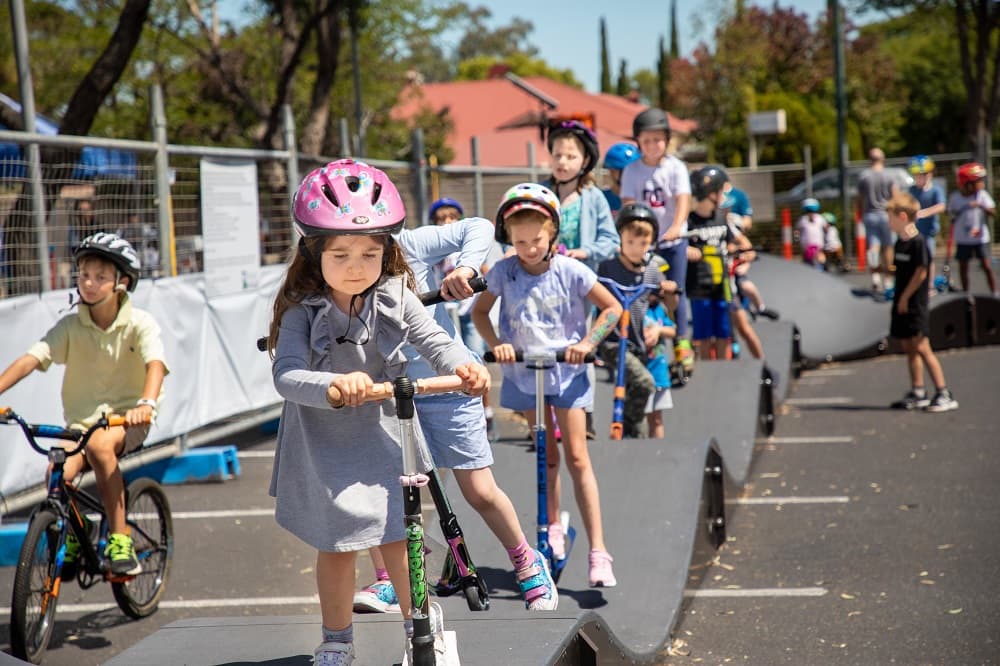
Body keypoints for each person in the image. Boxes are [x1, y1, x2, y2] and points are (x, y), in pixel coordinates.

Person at [266, 160, 502, 665]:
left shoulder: (396, 293)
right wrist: (334, 383)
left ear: (388, 251)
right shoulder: (300, 308)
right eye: (342, 254)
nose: (357, 265)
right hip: (322, 438)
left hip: (383, 431)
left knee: (400, 536)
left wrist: (467, 366)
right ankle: (336, 641)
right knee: (336, 546)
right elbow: (286, 375)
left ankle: (423, 625)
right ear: (314, 253)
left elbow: (437, 341)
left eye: (371, 253)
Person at [353, 203, 557, 616]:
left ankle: (526, 560)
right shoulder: (339, 263)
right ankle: (391, 578)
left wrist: (464, 269)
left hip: (446, 381)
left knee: (478, 490)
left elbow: (479, 225)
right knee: (380, 490)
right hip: (389, 390)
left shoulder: (409, 244)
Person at [472, 182, 623, 588]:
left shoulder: (571, 270)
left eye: (536, 240)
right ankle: (551, 527)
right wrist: (498, 344)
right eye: (519, 242)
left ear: (552, 232)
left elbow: (613, 307)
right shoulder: (504, 271)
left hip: (567, 374)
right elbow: (480, 313)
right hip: (525, 373)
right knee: (546, 455)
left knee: (576, 457)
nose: (529, 248)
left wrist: (587, 342)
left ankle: (599, 550)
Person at [0, 232, 167, 578]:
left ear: (122, 282)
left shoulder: (139, 324)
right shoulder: (72, 325)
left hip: (126, 420)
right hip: (81, 423)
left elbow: (155, 365)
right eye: (83, 275)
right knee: (57, 471)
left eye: (100, 277)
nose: (89, 283)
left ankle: (119, 539)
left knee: (101, 447)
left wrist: (146, 403)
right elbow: (33, 358)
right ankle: (81, 532)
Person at [542, 119, 619, 439]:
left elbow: (611, 241)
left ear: (585, 161)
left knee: (579, 344)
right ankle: (549, 414)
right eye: (557, 155)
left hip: (578, 285)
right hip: (543, 282)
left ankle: (581, 411)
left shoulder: (593, 198)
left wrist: (583, 252)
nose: (562, 162)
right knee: (545, 343)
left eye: (570, 156)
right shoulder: (541, 193)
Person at [619, 107, 695, 371]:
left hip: (672, 241)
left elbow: (683, 200)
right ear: (638, 141)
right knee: (643, 292)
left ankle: (682, 342)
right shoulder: (632, 170)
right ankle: (642, 340)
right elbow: (629, 204)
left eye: (658, 139)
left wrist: (676, 227)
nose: (652, 145)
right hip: (644, 244)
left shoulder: (676, 168)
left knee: (675, 289)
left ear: (667, 140)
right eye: (646, 140)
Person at [596, 202, 677, 438]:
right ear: (620, 237)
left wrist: (670, 291)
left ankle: (633, 439)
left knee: (635, 395)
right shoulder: (607, 268)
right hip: (612, 342)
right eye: (630, 242)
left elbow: (670, 308)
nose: (636, 248)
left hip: (638, 343)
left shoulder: (651, 270)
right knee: (644, 383)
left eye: (643, 244)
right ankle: (629, 428)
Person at [885, 192, 958, 412]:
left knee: (922, 346)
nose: (888, 222)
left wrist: (906, 297)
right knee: (908, 346)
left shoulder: (918, 243)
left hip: (914, 303)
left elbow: (921, 272)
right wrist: (882, 270)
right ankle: (918, 391)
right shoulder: (900, 243)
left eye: (891, 217)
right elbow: (900, 270)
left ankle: (943, 392)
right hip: (900, 300)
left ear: (903, 217)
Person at [686, 165, 763, 361]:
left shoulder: (721, 219)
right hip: (699, 288)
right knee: (703, 338)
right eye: (720, 191)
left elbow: (740, 243)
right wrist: (688, 251)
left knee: (723, 335)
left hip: (722, 287)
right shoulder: (689, 222)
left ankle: (726, 370)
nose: (723, 196)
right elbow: (678, 248)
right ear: (710, 193)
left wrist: (746, 254)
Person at [721, 184, 779, 320]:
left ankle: (760, 307)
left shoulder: (731, 226)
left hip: (734, 263)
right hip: (722, 266)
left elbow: (746, 246)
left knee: (745, 285)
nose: (727, 210)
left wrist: (744, 260)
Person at [947, 162, 998, 296]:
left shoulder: (982, 195)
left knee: (986, 266)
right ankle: (965, 294)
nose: (981, 183)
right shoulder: (956, 197)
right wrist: (960, 209)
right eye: (978, 181)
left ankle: (994, 292)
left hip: (980, 238)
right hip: (963, 239)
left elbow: (993, 212)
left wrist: (981, 205)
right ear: (967, 183)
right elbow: (950, 213)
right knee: (963, 266)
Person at [856, 148, 900, 291]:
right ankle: (888, 279)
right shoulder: (889, 175)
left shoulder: (864, 176)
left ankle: (875, 276)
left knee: (873, 247)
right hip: (886, 215)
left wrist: (859, 214)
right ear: (883, 159)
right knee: (888, 247)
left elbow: (859, 199)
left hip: (869, 214)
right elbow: (896, 197)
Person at [907, 155, 946, 295]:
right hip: (913, 232)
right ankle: (915, 285)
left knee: (929, 259)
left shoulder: (936, 190)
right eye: (916, 175)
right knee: (913, 260)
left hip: (928, 232)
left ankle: (929, 285)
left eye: (921, 175)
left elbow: (941, 206)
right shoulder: (912, 190)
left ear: (929, 174)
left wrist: (923, 213)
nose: (918, 178)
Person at [643, 289, 676, 439]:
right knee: (642, 417)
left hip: (659, 371)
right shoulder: (638, 310)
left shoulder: (659, 309)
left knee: (657, 419)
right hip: (643, 371)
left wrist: (658, 330)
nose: (653, 296)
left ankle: (657, 448)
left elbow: (672, 330)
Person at [601, 142, 641, 215]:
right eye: (626, 171)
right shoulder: (601, 199)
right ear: (612, 171)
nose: (631, 175)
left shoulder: (644, 198)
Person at [797, 198, 828, 269]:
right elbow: (826, 228)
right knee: (811, 258)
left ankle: (821, 267)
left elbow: (797, 230)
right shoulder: (819, 218)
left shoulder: (803, 219)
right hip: (810, 244)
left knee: (818, 257)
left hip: (814, 244)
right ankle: (821, 267)